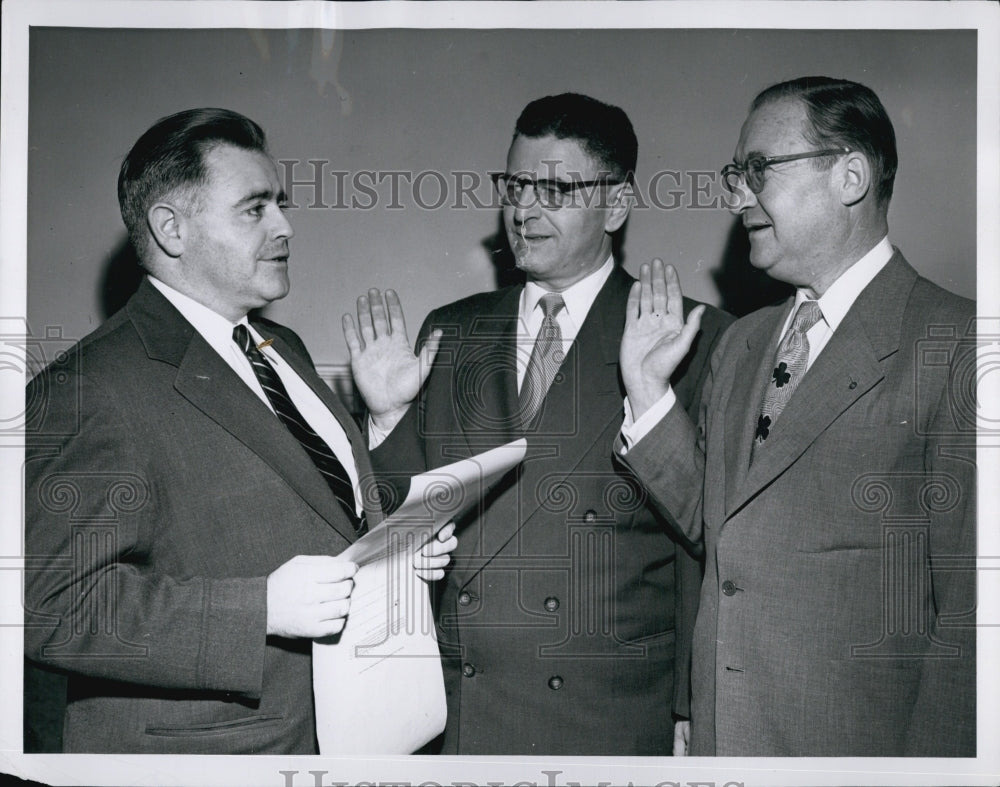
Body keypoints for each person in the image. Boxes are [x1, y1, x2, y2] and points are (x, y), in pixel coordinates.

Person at [23, 108, 455, 754]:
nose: (285, 226)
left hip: (341, 741)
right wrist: (261, 610)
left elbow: (326, 523)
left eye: (280, 204)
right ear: (171, 228)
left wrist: (397, 551)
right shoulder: (89, 385)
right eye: (255, 209)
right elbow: (46, 603)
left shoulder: (284, 348)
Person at [343, 93, 733, 755]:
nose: (524, 210)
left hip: (607, 719)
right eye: (516, 185)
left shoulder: (691, 337)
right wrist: (386, 420)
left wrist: (690, 705)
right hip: (462, 719)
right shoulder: (452, 329)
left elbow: (707, 545)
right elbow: (397, 532)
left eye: (554, 190)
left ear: (616, 204)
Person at [618, 77, 976, 756]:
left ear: (850, 177)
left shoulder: (957, 344)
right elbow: (719, 525)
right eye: (735, 174)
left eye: (758, 169)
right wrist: (647, 393)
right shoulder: (743, 342)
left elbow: (973, 619)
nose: (735, 197)